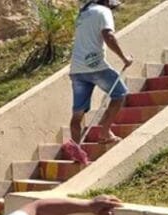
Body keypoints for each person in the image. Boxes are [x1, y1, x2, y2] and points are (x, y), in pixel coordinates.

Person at [65, 0, 134, 164]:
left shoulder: (83, 14)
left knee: (77, 114)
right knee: (120, 93)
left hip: (77, 69)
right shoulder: (103, 11)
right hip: (96, 66)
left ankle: (77, 152)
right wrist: (124, 58)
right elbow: (108, 35)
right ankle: (104, 132)